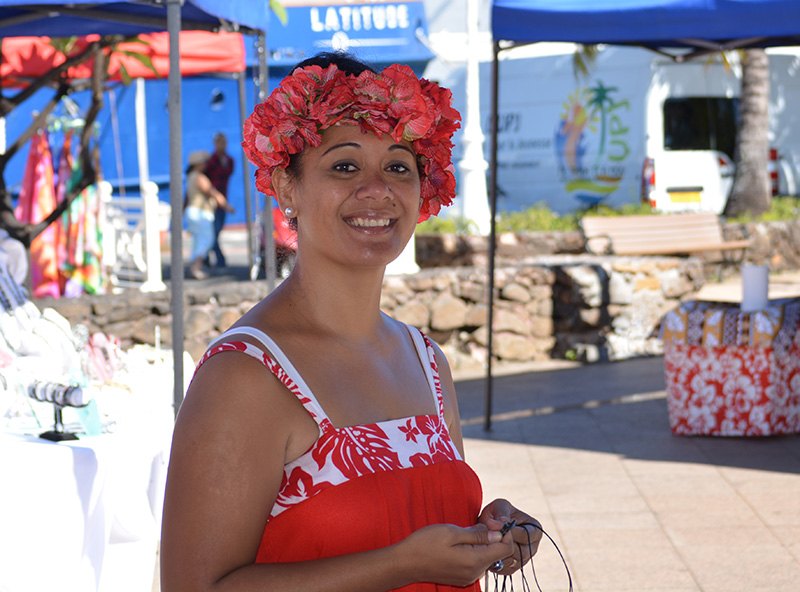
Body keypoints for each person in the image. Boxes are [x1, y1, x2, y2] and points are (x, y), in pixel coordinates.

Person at [161, 52, 542, 592]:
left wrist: (487, 533)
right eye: (344, 166)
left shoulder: (425, 361)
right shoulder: (245, 377)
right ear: (287, 187)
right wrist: (400, 566)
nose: (377, 189)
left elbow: (413, 515)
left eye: (397, 166)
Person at [183, 150, 234, 280]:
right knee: (206, 240)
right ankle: (196, 267)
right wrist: (226, 206)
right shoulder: (200, 177)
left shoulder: (190, 177)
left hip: (192, 211)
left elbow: (187, 197)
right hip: (201, 212)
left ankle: (194, 267)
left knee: (198, 240)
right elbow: (212, 192)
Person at [204, 132, 234, 268]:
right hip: (211, 202)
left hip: (222, 200)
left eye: (224, 142)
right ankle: (218, 258)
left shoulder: (228, 160)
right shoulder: (210, 161)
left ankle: (205, 257)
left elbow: (228, 172)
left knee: (216, 231)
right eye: (220, 142)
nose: (223, 145)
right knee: (213, 231)